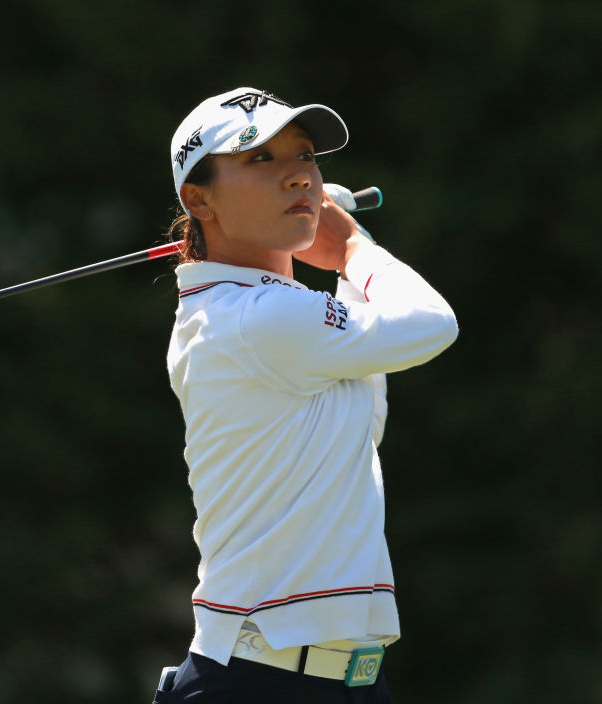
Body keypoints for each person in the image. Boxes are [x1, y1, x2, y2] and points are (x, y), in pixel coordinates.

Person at [154, 87, 458, 703]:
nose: (298, 176)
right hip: (259, 683)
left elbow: (361, 388)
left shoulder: (263, 318)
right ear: (199, 199)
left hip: (338, 684)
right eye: (261, 160)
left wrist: (339, 261)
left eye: (307, 157)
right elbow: (433, 323)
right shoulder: (253, 318)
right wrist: (350, 248)